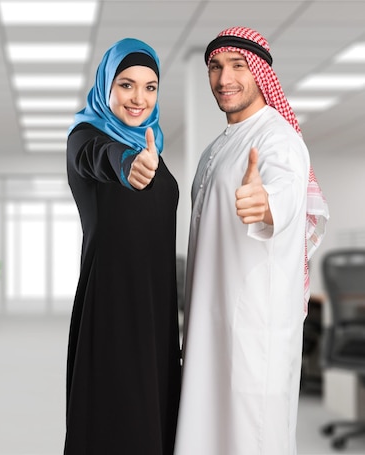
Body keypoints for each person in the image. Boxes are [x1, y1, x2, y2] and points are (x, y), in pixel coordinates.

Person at [174, 26, 330, 455]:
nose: (224, 78)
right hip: (210, 326)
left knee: (251, 440)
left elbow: (281, 191)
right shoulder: (214, 150)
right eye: (215, 67)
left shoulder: (277, 139)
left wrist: (264, 204)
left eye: (238, 66)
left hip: (252, 333)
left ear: (260, 73)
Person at [64, 37, 181, 454]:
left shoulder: (153, 147)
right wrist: (127, 163)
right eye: (126, 84)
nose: (139, 98)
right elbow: (98, 156)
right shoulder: (85, 136)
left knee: (156, 419)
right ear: (105, 87)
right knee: (118, 422)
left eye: (150, 87)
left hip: (157, 307)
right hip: (113, 304)